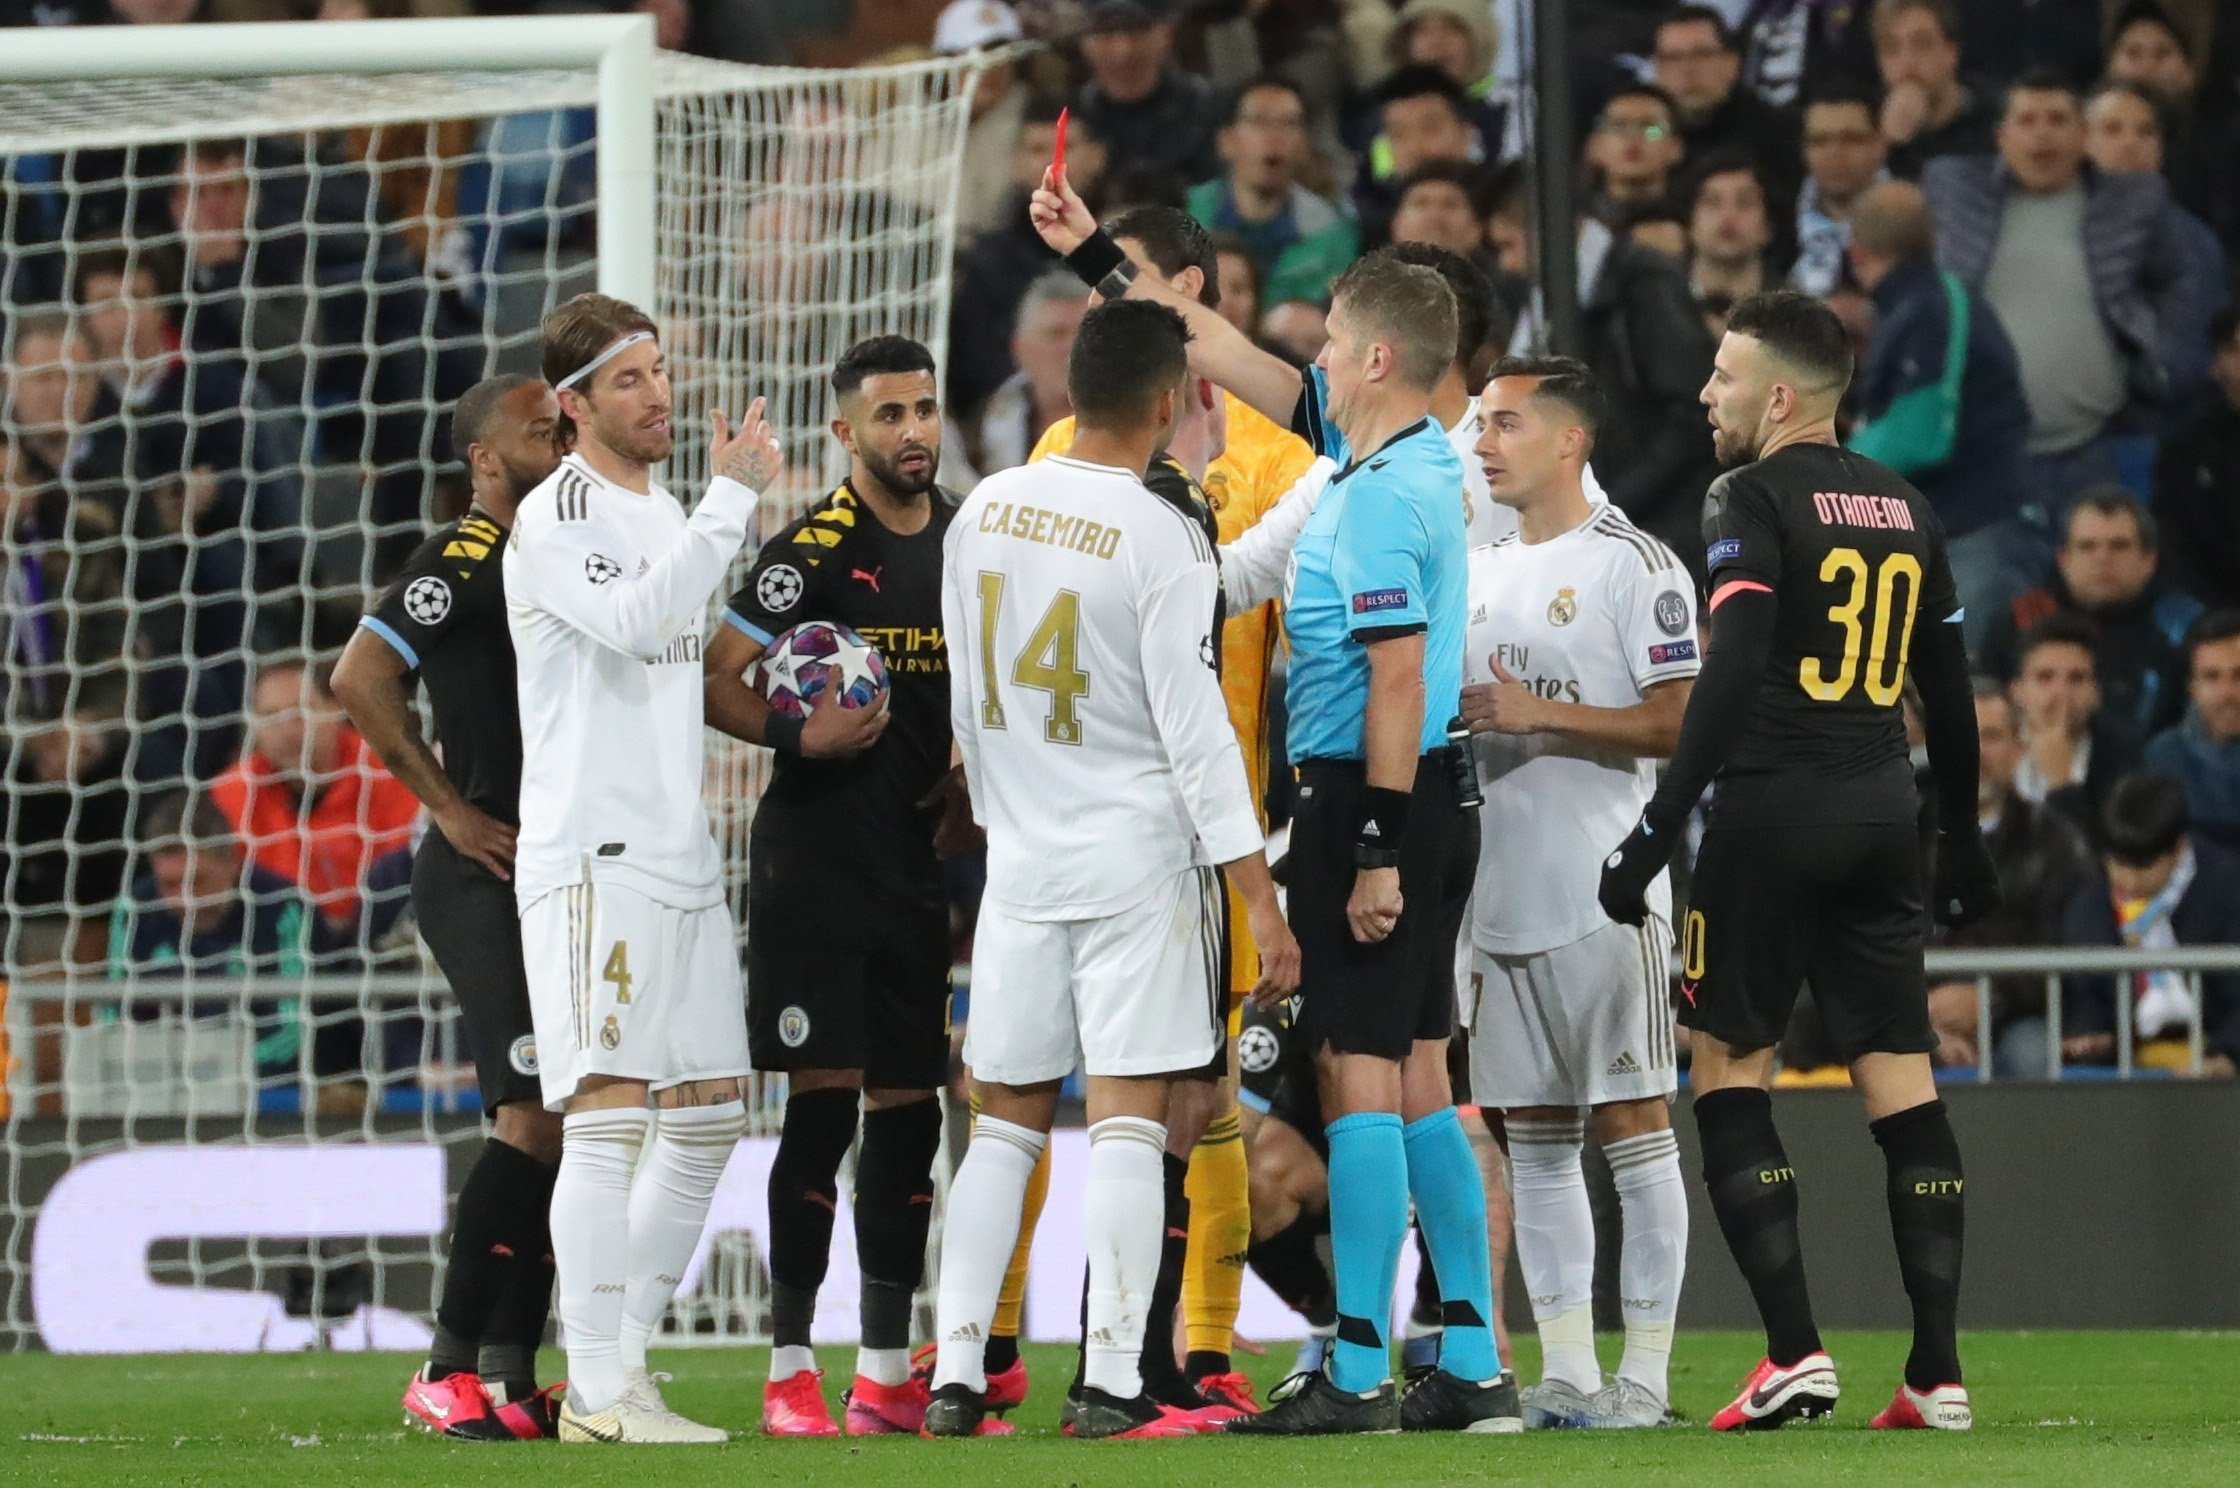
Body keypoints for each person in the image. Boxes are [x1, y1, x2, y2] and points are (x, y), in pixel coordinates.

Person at [1042, 168, 1517, 1430]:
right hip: (1425, 802)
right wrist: (1095, 253)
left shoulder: (1377, 494)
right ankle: (1466, 1359)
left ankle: (1358, 1364)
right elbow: (1214, 376)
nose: (1298, 355)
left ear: (1369, 354)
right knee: (1418, 1075)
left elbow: (1399, 676)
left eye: (1320, 340)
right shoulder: (1379, 462)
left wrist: (1365, 847)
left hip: (1374, 800)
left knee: (1360, 1073)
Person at [1598, 291, 1998, 1433]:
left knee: (1727, 1065)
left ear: (1779, 397)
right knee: (1900, 1083)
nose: (1702, 397)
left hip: (1771, 816)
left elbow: (1729, 671)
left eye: (1721, 378)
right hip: (1882, 815)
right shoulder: (1907, 504)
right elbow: (1953, 692)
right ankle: (1933, 1373)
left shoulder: (1747, 495)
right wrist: (1957, 832)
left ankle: (1790, 1355)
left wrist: (1656, 829)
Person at [922, 299, 1299, 1440]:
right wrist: (1257, 900)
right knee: (1133, 1122)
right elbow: (1197, 737)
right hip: (1137, 859)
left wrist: (1001, 820)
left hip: (1022, 859)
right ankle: (1113, 1385)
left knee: (1003, 1124)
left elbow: (965, 702)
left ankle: (952, 1377)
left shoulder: (981, 506)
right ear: (1171, 401)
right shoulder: (1157, 530)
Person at [1020, 207, 1319, 1416]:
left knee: (1194, 1104)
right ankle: (1087, 1361)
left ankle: (1183, 1354)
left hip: (1219, 823)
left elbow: (1316, 643)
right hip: (1133, 828)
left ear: (1184, 291)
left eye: (1123, 289)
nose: (1102, 310)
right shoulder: (1064, 447)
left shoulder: (1275, 452)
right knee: (1115, 1102)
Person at [503, 293, 784, 1445]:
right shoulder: (553, 514)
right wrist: (731, 505)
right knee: (607, 1114)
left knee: (712, 1109)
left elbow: (687, 646)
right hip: (591, 856)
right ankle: (600, 1389)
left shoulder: (666, 504)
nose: (657, 394)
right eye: (629, 380)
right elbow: (633, 623)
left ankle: (625, 1367)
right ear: (572, 407)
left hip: (677, 855)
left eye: (660, 371)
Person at [699, 338, 958, 1438]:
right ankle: (790, 1367)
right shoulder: (807, 551)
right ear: (845, 434)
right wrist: (801, 733)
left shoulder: (967, 537)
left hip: (914, 866)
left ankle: (887, 1372)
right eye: (888, 413)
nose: (913, 431)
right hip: (812, 862)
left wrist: (969, 775)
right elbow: (714, 676)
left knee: (911, 1107)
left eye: (925, 409)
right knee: (822, 1105)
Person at [1458, 358, 1697, 1430]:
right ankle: (1564, 1371)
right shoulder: (1474, 566)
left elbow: (1680, 723)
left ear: (1569, 441)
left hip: (1606, 893)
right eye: (1481, 424)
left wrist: (1539, 717)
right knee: (1536, 1136)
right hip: (1497, 894)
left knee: (1633, 1125)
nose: (1483, 442)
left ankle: (1642, 1375)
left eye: (1505, 423)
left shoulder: (1633, 567)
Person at [329, 375, 568, 1442]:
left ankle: (515, 1384)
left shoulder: (557, 554)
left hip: (549, 869)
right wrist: (451, 810)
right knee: (526, 1116)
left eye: (563, 430)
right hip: (479, 873)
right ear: (483, 459)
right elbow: (359, 675)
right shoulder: (460, 558)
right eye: (537, 433)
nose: (557, 444)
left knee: (560, 1123)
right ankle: (444, 1367)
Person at [1921, 72, 2209, 508]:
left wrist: (2162, 360)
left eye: (2057, 119)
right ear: (2002, 136)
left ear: (2082, 135)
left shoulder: (2132, 205)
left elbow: (2185, 280)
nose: (2042, 134)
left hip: (2100, 447)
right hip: (1983, 451)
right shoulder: (1956, 195)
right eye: (2028, 119)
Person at [1844, 180, 2034, 650]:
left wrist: (1827, 468)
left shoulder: (1932, 308)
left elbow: (1918, 435)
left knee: (1957, 684)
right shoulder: (1923, 304)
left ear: (1857, 254)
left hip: (1968, 528)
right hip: (1944, 531)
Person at [1924, 680, 2095, 1076]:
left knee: (2034, 1057)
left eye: (1992, 737)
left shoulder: (2058, 842)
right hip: (1913, 1013)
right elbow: (1877, 939)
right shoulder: (1900, 838)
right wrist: (1925, 1014)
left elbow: (2070, 950)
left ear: (2020, 749)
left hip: (2019, 1015)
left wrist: (1988, 998)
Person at [209, 656, 419, 940]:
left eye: (300, 712)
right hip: (281, 940)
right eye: (271, 717)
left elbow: (403, 873)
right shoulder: (232, 792)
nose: (288, 731)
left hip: (377, 937)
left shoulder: (389, 772)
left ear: (335, 709)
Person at [2055, 772, 2240, 1077]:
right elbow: (2084, 996)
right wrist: (2093, 1036)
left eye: (2142, 868)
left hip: (2219, 1070)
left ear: (2179, 849)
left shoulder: (2228, 889)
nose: (2126, 880)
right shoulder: (2090, 905)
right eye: (2116, 863)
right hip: (2126, 1075)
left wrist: (2229, 1058)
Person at [1981, 489, 2202, 738]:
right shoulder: (2019, 621)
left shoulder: (2182, 624)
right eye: (2087, 546)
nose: (2102, 558)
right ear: (2063, 558)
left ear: (2148, 560)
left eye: (2119, 546)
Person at [1187, 76, 1357, 311]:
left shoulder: (1332, 232)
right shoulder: (1183, 216)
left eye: (1289, 124)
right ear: (1226, 141)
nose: (1274, 136)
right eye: (1258, 122)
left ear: (1304, 144)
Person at [946, 272, 1090, 485]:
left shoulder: (1135, 424)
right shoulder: (977, 431)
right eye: (1056, 334)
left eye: (1086, 334)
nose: (1073, 349)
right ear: (1020, 349)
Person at [1651, 5, 1801, 204]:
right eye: (1672, 58)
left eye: (1701, 55)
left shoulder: (1782, 134)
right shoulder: (1650, 134)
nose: (1687, 70)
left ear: (1732, 63)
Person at [1072, 1, 1221, 189]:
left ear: (1167, 35)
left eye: (1136, 30)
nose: (1122, 50)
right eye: (1106, 31)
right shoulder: (1072, 118)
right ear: (1085, 41)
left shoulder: (1205, 107)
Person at [2154, 309, 2240, 611]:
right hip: (2218, 610)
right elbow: (2174, 540)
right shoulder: (2186, 444)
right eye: (2236, 350)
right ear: (2215, 365)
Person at [2144, 611, 2240, 853]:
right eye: (2211, 677)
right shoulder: (2162, 759)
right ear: (2192, 688)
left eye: (2239, 676)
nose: (2227, 693)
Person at [1872, 0, 1997, 178]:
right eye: (1891, 49)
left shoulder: (1993, 122)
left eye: (1921, 44)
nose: (1907, 62)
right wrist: (1890, 146)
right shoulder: (1864, 125)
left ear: (1951, 52)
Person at [1792, 81, 1889, 297]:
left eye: (1851, 140)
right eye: (1820, 141)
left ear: (1880, 144)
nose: (1835, 154)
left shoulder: (1912, 219)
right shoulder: (1777, 224)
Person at [1687, 156, 1777, 331]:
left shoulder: (1795, 315)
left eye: (1744, 203)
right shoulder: (1656, 303)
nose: (1728, 217)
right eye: (1712, 202)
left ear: (1768, 226)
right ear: (1690, 224)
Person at [1584, 85, 1686, 228]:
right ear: (1596, 146)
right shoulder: (1569, 224)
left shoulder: (1693, 224)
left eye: (1651, 129)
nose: (1633, 138)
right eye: (1619, 126)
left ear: (1675, 148)